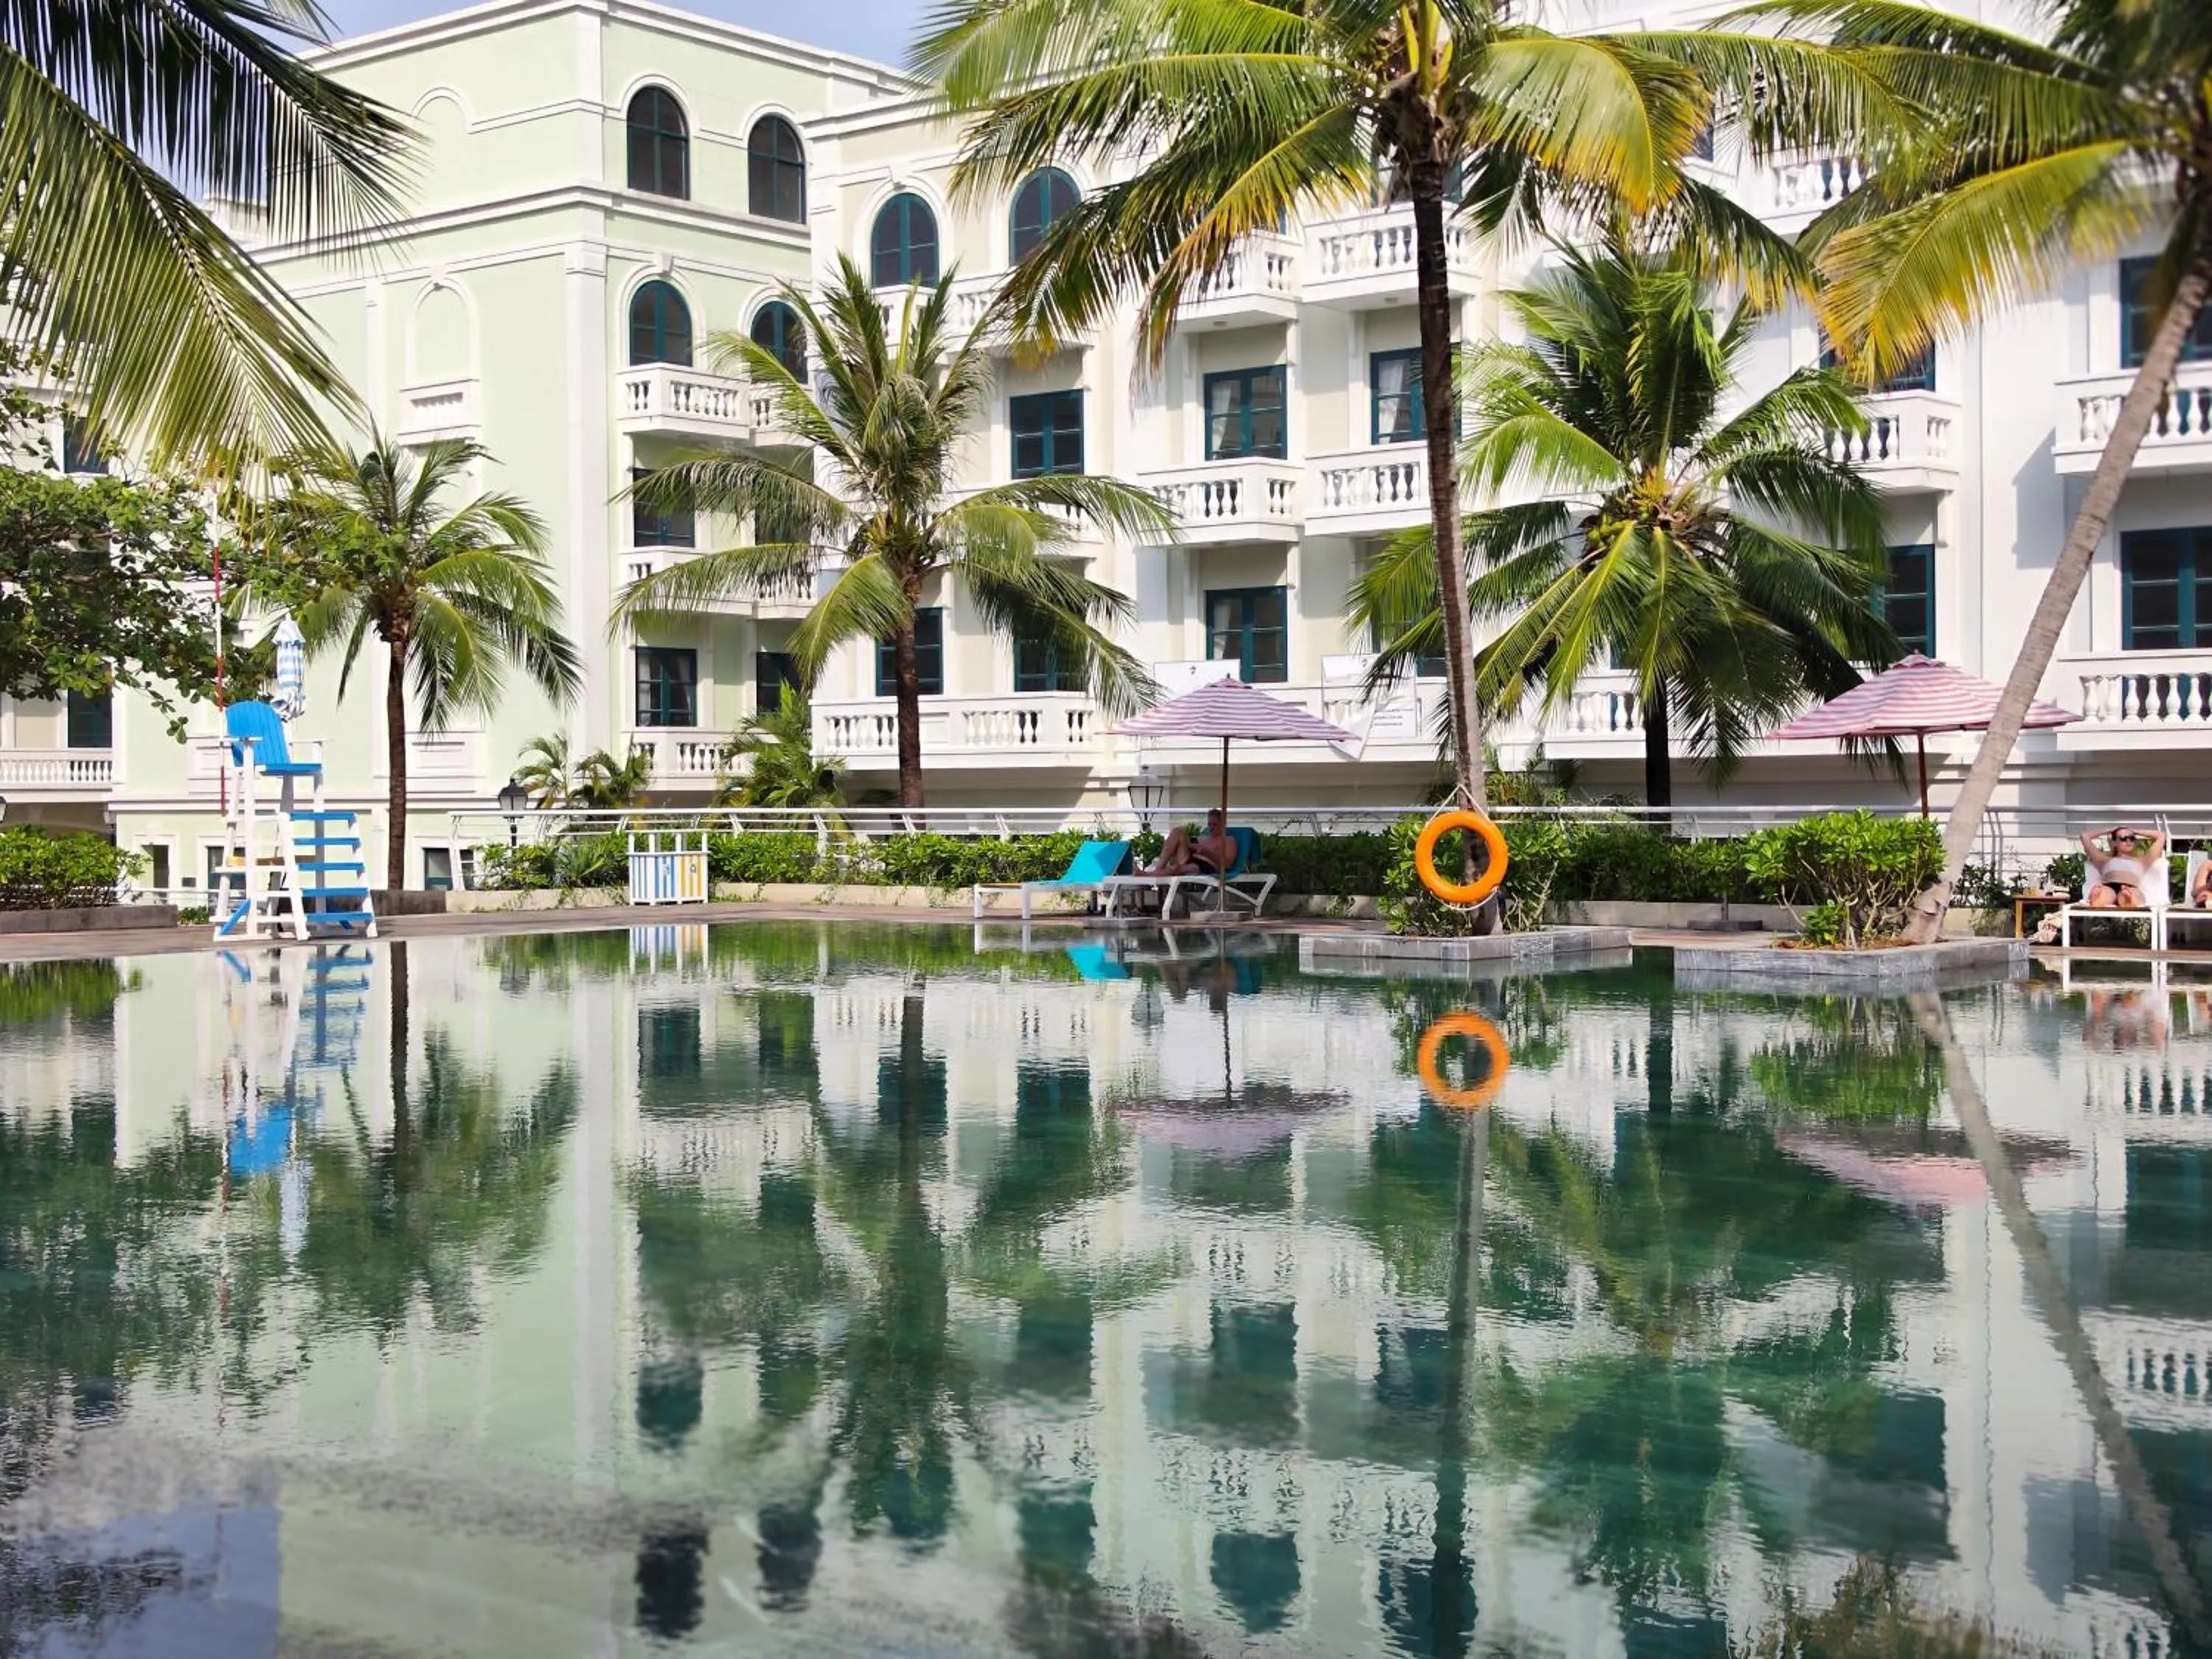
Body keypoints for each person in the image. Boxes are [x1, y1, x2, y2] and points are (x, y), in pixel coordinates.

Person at [2082, 824, 2166, 910]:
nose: (2128, 841)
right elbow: (2085, 836)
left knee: (2135, 895)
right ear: (2114, 843)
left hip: (2131, 887)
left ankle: (2128, 900)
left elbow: (2161, 836)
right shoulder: (2103, 860)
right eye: (2123, 839)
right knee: (2103, 894)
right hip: (2109, 887)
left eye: (2132, 838)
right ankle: (2097, 899)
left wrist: (2135, 831)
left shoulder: (2143, 861)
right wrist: (2111, 830)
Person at [1144, 808, 1237, 878]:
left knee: (1177, 868)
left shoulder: (1228, 840)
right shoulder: (1202, 837)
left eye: (1215, 824)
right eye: (1209, 824)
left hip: (1207, 866)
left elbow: (1228, 864)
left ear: (1223, 823)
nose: (1211, 828)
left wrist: (1206, 851)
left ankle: (1148, 874)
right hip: (1190, 858)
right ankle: (1158, 869)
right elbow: (1188, 845)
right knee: (1179, 831)